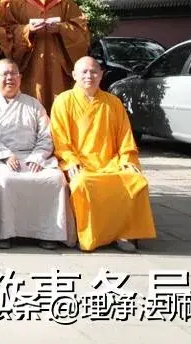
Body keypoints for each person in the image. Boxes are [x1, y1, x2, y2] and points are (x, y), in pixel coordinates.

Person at [50, 57, 156, 252]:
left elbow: (125, 136)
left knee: (136, 181)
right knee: (81, 183)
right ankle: (90, 236)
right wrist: (70, 161)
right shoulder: (63, 101)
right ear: (74, 75)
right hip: (81, 163)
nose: (89, 76)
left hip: (110, 162)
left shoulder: (113, 103)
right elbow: (60, 139)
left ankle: (124, 234)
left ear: (101, 75)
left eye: (93, 72)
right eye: (84, 72)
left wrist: (127, 159)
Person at [0, 59, 73, 250]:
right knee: (5, 180)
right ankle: (3, 233)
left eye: (13, 74)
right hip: (0, 158)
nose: (9, 78)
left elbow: (46, 134)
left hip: (32, 157)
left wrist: (38, 156)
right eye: (4, 74)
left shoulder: (33, 104)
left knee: (55, 179)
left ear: (20, 77)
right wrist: (5, 155)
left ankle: (48, 234)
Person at [5, 0, 90, 110]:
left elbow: (81, 28)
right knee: (32, 101)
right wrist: (27, 30)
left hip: (58, 61)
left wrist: (61, 28)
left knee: (60, 101)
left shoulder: (63, 0)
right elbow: (7, 31)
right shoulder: (17, 2)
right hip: (30, 63)